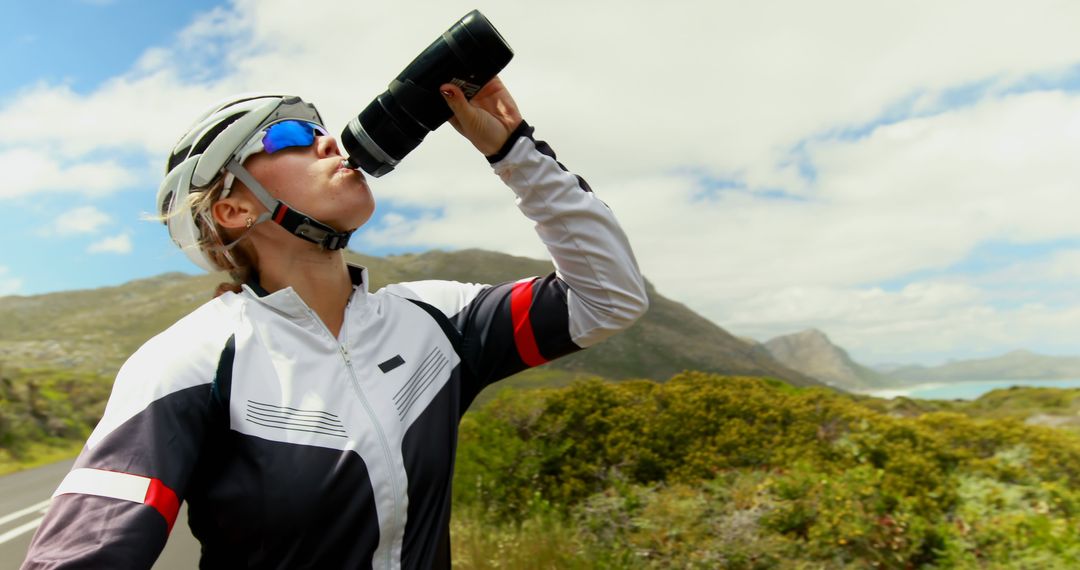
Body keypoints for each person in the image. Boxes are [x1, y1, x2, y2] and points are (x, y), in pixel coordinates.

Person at [21, 78, 648, 569]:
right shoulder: (189, 360)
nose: (330, 142)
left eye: (323, 129)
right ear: (234, 207)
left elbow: (610, 297)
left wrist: (512, 149)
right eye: (289, 135)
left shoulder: (434, 320)